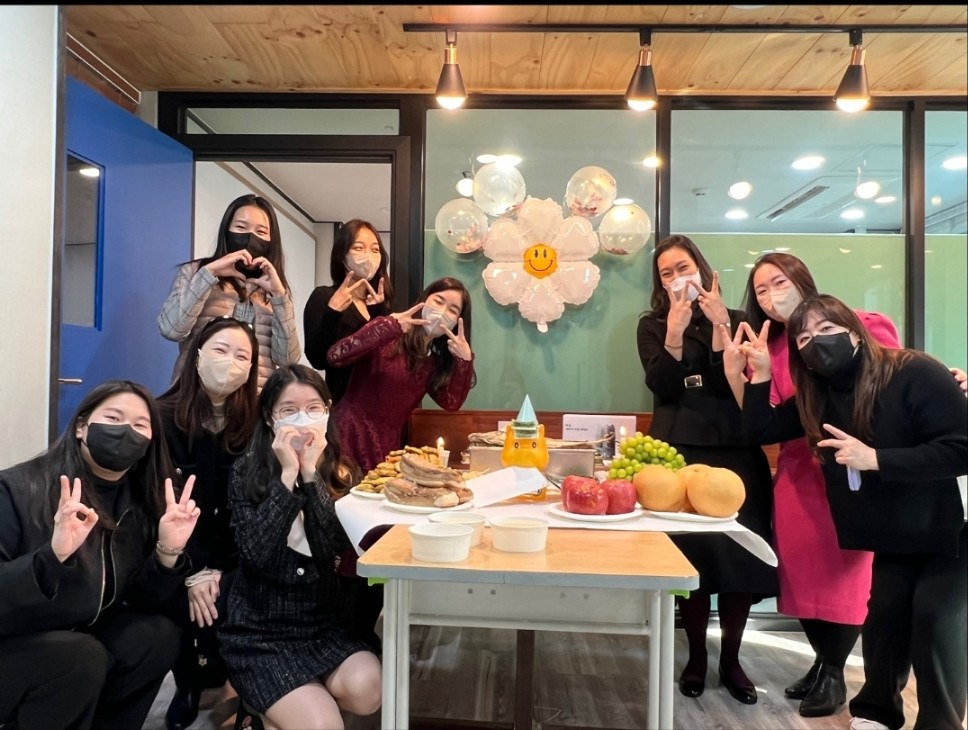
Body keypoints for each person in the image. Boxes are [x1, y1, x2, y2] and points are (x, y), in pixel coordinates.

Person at [728, 294, 967, 730]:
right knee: (885, 621)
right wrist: (759, 375)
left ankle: (941, 724)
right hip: (891, 535)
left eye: (827, 329)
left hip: (946, 530)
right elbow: (760, 429)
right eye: (804, 338)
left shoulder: (913, 371)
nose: (816, 341)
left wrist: (875, 459)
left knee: (935, 622)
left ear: (855, 332)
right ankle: (876, 712)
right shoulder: (818, 394)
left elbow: (961, 448)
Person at [738, 252, 901, 717]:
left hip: (855, 470)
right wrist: (752, 373)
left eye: (779, 282)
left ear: (802, 280)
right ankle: (821, 661)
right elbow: (767, 421)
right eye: (761, 290)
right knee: (801, 572)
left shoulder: (859, 324)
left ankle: (834, 671)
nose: (771, 295)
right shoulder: (771, 349)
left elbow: (893, 378)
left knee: (845, 574)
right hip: (799, 474)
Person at [0, 380, 200, 730]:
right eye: (113, 417)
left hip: (79, 637)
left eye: (140, 425)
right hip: (14, 645)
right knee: (79, 657)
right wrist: (51, 558)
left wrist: (167, 552)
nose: (126, 432)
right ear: (81, 426)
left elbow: (142, 600)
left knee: (156, 636)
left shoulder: (141, 501)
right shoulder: (17, 488)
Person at [635, 234, 778, 705]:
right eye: (667, 273)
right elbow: (662, 386)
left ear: (700, 266)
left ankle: (731, 659)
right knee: (691, 562)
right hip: (680, 453)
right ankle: (696, 655)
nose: (678, 278)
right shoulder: (652, 324)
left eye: (684, 267)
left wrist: (720, 325)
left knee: (739, 564)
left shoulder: (737, 318)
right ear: (660, 283)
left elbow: (732, 381)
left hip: (737, 450)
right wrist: (674, 334)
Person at [216, 364, 382, 729]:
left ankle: (286, 707)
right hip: (261, 633)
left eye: (313, 408)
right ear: (269, 416)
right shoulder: (246, 472)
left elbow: (330, 547)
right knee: (324, 725)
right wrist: (287, 475)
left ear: (328, 410)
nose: (302, 419)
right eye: (289, 410)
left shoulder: (342, 471)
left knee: (368, 691)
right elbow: (257, 553)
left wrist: (310, 475)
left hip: (321, 625)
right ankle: (269, 707)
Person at [156, 316, 260, 730]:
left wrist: (218, 568)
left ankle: (237, 681)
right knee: (177, 599)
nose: (230, 362)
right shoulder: (161, 418)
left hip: (231, 553)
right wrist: (193, 570)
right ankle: (188, 684)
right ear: (197, 354)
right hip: (176, 550)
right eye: (220, 349)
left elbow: (250, 505)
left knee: (236, 593)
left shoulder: (255, 423)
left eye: (242, 356)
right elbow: (157, 504)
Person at [328, 276, 476, 473]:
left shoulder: (433, 363)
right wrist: (388, 325)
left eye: (453, 310)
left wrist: (464, 361)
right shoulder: (390, 333)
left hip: (387, 446)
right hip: (348, 433)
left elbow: (451, 403)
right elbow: (335, 356)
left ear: (457, 322)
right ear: (424, 300)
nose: (442, 312)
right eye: (438, 301)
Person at [158, 193, 301, 389]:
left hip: (252, 400)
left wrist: (279, 297)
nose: (250, 237)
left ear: (271, 239)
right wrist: (209, 274)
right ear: (226, 230)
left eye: (261, 231)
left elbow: (287, 359)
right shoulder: (196, 271)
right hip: (195, 394)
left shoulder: (275, 289)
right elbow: (171, 329)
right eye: (241, 227)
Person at [303, 219, 393, 403]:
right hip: (342, 405)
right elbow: (317, 359)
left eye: (375, 249)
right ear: (341, 255)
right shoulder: (323, 296)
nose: (368, 255)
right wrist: (333, 313)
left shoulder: (383, 303)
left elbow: (388, 359)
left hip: (380, 404)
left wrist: (379, 313)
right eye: (359, 248)